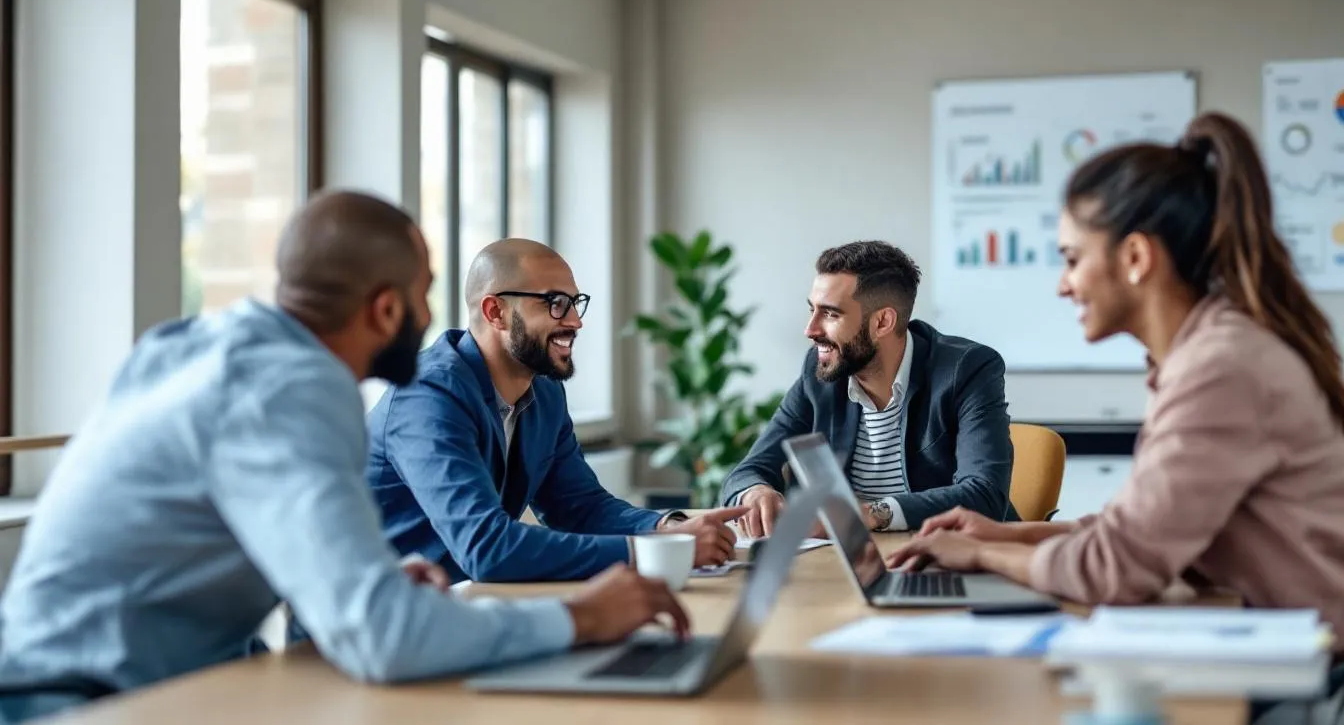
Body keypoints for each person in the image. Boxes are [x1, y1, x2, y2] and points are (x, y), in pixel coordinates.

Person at [0, 192, 688, 723]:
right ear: (387, 310)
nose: (430, 315)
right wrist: (582, 617)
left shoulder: (198, 349)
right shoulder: (296, 387)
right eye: (422, 294)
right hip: (85, 705)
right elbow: (382, 637)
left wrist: (378, 584)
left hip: (146, 685)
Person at [885, 112, 1344, 656]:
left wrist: (982, 557)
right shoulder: (1208, 352)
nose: (1063, 286)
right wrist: (1009, 534)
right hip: (1282, 642)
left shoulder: (1220, 368)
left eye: (1073, 259)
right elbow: (1140, 529)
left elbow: (1117, 568)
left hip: (1314, 671)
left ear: (1135, 257)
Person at [365, 239, 743, 583]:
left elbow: (580, 508)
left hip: (464, 606)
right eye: (555, 303)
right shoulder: (428, 397)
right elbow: (486, 547)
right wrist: (650, 552)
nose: (576, 321)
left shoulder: (543, 392)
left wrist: (667, 528)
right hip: (376, 626)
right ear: (495, 311)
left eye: (575, 303)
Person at [719, 241, 1017, 538]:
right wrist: (755, 492)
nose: (810, 330)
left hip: (946, 558)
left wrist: (868, 514)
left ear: (882, 322)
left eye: (831, 314)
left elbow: (983, 495)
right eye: (812, 310)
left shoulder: (966, 369)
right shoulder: (821, 372)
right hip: (849, 562)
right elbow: (748, 470)